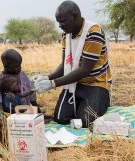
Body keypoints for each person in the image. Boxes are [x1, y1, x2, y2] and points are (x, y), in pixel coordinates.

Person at [32, 0, 112, 128]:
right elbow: (65, 64)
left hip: (95, 83)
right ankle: (84, 104)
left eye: (62, 21)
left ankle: (101, 100)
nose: (60, 25)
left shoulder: (93, 32)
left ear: (74, 16)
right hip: (75, 84)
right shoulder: (66, 34)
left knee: (85, 121)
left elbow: (85, 70)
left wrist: (53, 84)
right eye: (58, 22)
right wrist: (46, 78)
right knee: (60, 118)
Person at [0, 49, 39, 113]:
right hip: (7, 112)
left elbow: (31, 95)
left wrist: (39, 112)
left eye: (20, 65)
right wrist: (2, 116)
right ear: (7, 66)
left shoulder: (21, 74)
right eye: (17, 66)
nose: (20, 68)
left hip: (24, 110)